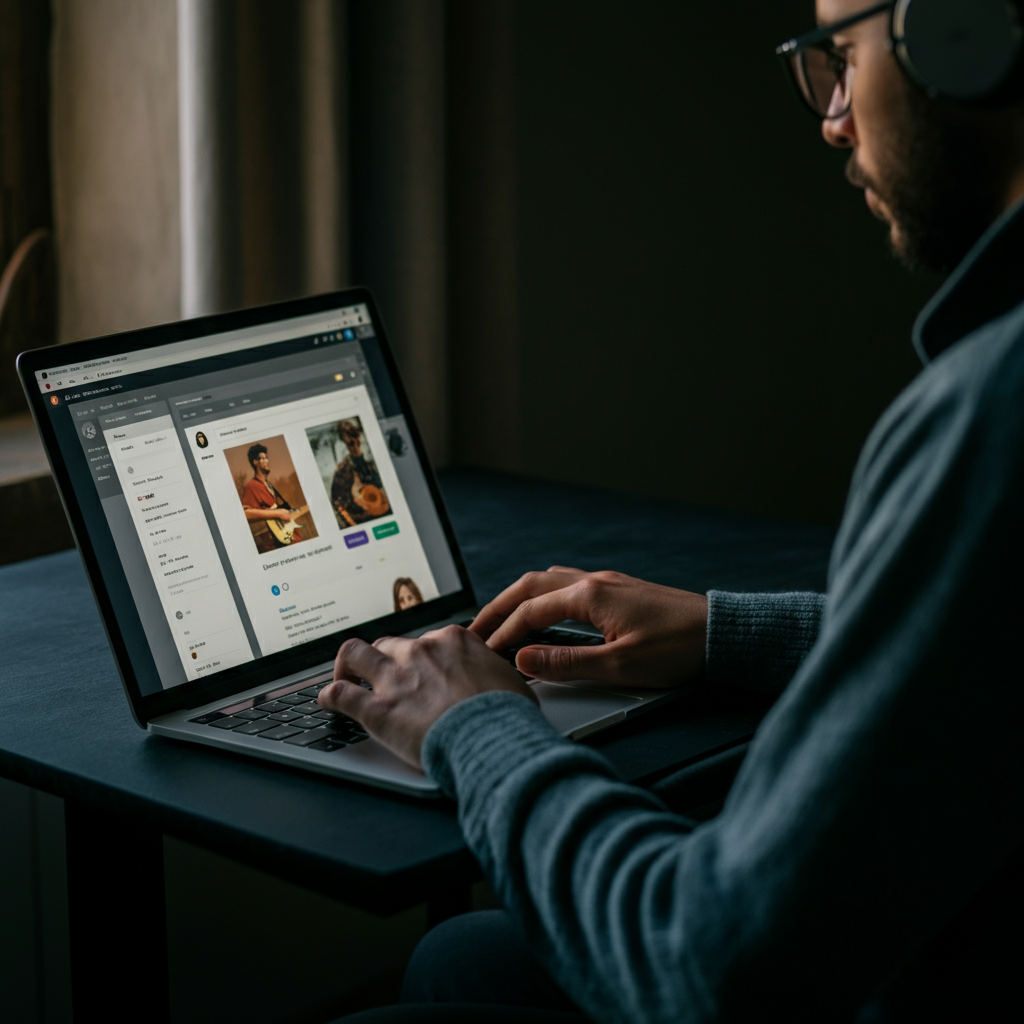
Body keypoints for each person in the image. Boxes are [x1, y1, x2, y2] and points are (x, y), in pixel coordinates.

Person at [325, 2, 1024, 1020]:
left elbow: (697, 961)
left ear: (967, 31)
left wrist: (473, 727)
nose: (831, 114)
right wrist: (728, 631)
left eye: (844, 51)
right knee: (468, 956)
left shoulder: (987, 413)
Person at [241, 442, 301, 553]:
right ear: (256, 462)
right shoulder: (252, 486)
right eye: (263, 459)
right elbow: (246, 513)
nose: (267, 461)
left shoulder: (268, 485)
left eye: (267, 458)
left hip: (288, 539)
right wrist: (276, 513)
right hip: (275, 545)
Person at [330, 419, 391, 526]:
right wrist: (354, 525)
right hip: (363, 521)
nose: (355, 446)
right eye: (350, 442)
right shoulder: (342, 470)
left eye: (355, 435)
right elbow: (338, 504)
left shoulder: (373, 460)